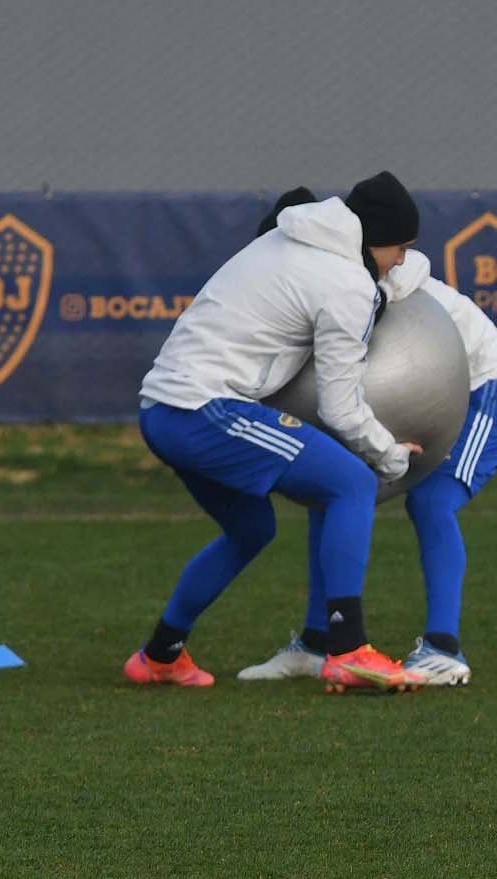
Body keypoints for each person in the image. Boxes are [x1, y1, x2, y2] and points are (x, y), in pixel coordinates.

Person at [126, 171, 428, 693]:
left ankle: (160, 654)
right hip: (203, 409)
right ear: (373, 236)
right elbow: (339, 406)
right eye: (399, 246)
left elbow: (388, 276)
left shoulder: (293, 236)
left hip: (163, 407)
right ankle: (348, 648)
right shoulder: (347, 284)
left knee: (252, 530)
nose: (401, 258)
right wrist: (390, 455)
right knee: (352, 483)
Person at [238, 239, 497, 687]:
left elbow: (407, 268)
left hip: (488, 389)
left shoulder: (367, 277)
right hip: (417, 398)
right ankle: (318, 642)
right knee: (331, 492)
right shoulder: (312, 288)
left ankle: (444, 650)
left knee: (432, 502)